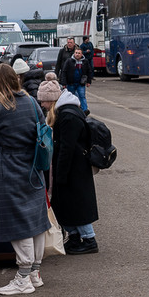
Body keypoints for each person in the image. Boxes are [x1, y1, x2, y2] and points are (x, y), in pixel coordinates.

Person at [0, 64, 50, 295]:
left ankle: (23, 277)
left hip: (10, 166)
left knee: (17, 221)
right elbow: (43, 127)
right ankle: (35, 272)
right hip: (34, 166)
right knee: (35, 219)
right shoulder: (29, 100)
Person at [49, 90, 99, 254]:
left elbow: (67, 147)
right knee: (71, 204)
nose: (42, 104)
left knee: (78, 204)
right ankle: (75, 237)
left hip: (73, 168)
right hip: (76, 167)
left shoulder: (67, 116)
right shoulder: (69, 110)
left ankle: (89, 239)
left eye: (44, 101)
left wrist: (60, 173)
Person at [62, 48, 92, 113]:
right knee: (71, 97)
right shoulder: (69, 61)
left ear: (82, 54)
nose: (77, 54)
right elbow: (64, 72)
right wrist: (64, 83)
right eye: (76, 53)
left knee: (82, 96)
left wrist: (89, 81)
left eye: (79, 53)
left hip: (81, 83)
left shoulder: (85, 61)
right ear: (74, 53)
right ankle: (72, 110)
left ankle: (85, 110)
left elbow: (89, 71)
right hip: (71, 83)